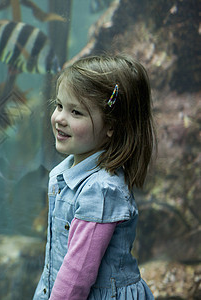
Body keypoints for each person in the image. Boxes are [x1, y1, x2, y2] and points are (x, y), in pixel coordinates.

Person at [33, 55, 156, 300]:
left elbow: (77, 275)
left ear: (112, 125)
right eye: (59, 106)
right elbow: (57, 263)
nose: (59, 118)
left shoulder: (101, 190)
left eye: (75, 112)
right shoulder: (65, 173)